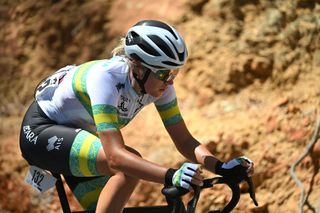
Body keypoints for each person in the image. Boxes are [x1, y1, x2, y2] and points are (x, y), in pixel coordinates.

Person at [19, 20, 254, 213]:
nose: (170, 81)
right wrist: (171, 175)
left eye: (174, 72)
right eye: (164, 73)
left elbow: (184, 141)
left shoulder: (159, 86)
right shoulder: (105, 79)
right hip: (41, 132)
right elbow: (115, 158)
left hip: (78, 136)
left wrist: (221, 167)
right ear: (139, 68)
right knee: (127, 166)